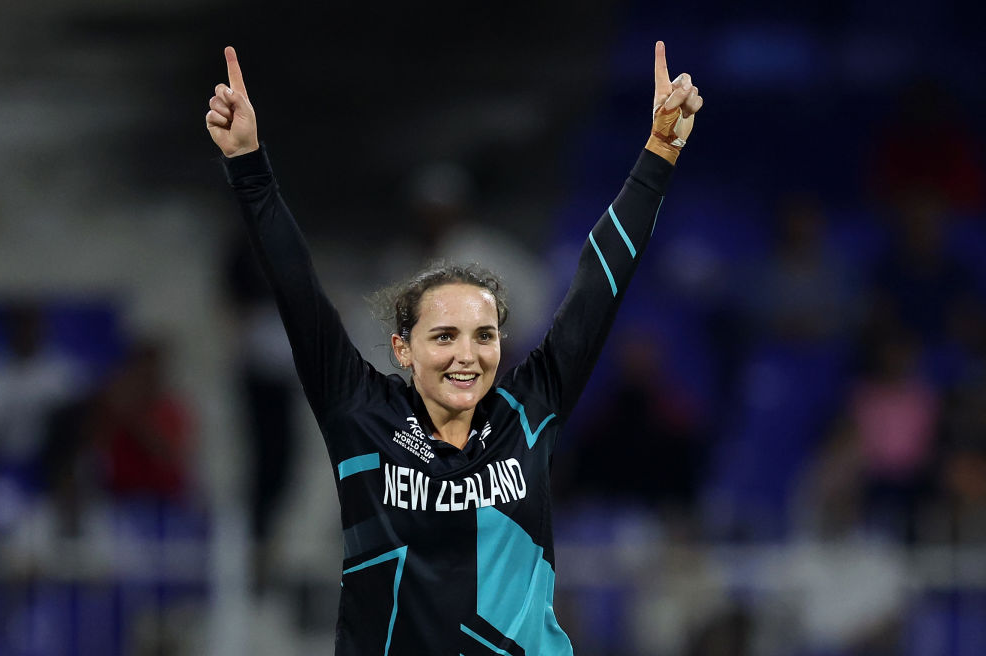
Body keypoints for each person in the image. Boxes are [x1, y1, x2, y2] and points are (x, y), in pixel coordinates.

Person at [206, 42, 702, 655]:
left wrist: (658, 154)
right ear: (402, 349)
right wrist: (249, 167)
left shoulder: (530, 409)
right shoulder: (360, 414)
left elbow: (597, 286)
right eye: (444, 336)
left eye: (483, 335)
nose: (467, 354)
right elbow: (297, 290)